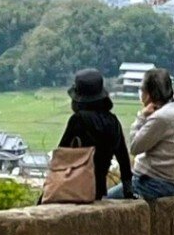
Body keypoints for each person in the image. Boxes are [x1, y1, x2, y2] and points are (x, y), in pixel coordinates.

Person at [57, 70, 132, 202]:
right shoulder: (113, 121)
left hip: (75, 188)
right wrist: (128, 190)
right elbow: (123, 158)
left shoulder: (78, 120)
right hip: (99, 191)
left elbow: (61, 155)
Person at [126, 68, 174, 199]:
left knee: (107, 198)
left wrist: (141, 116)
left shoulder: (161, 117)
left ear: (148, 94)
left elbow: (134, 147)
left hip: (154, 184)